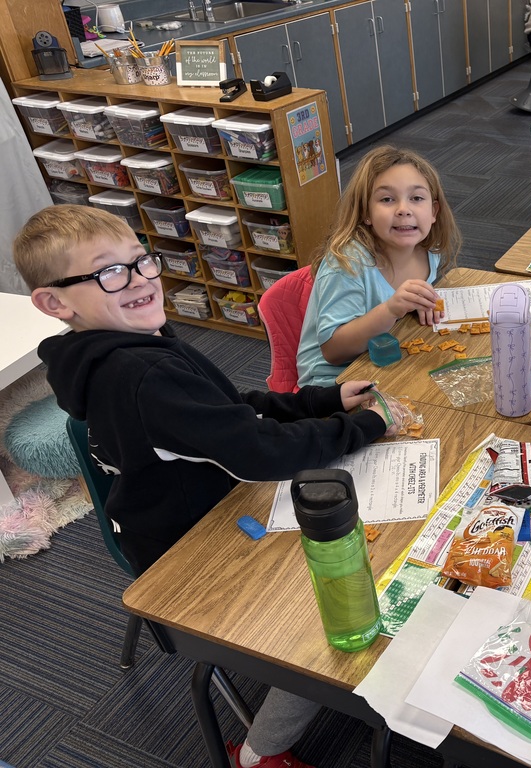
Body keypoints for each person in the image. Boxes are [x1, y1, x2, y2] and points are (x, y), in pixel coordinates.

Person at [14, 205, 412, 768]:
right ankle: (259, 752)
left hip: (197, 507)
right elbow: (257, 453)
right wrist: (364, 427)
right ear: (56, 302)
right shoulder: (139, 372)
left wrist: (317, 401)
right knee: (341, 610)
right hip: (190, 548)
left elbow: (228, 411)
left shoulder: (132, 346)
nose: (140, 279)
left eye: (140, 261)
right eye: (108, 272)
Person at [296, 145, 460, 387]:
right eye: (387, 199)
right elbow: (333, 351)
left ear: (434, 211)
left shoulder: (429, 253)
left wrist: (422, 304)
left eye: (416, 198)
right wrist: (391, 310)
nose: (404, 210)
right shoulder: (348, 263)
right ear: (366, 213)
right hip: (334, 382)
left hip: (387, 360)